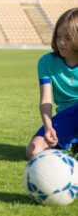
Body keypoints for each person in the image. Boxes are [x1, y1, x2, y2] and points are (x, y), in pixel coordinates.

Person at [26, 8, 78, 158]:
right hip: (65, 116)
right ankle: (68, 143)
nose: (61, 42)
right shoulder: (46, 62)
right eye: (58, 36)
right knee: (33, 152)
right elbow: (46, 100)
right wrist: (48, 127)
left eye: (68, 38)